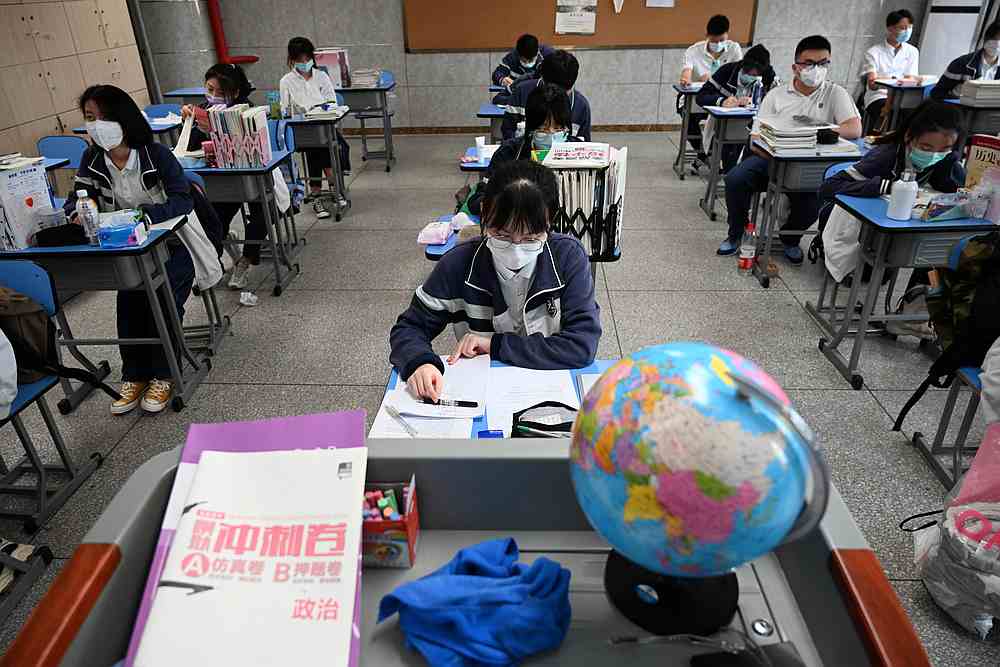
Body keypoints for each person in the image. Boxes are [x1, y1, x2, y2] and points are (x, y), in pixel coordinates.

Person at [63, 85, 220, 414]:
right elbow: (76, 198)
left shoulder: (154, 154)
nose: (92, 126)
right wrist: (79, 212)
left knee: (161, 303)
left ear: (120, 118)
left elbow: (182, 200)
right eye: (88, 119)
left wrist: (141, 217)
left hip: (173, 246)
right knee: (130, 307)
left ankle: (164, 374)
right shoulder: (93, 158)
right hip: (125, 252)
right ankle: (134, 375)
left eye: (97, 118)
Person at [390, 160, 601, 400]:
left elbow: (582, 345)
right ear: (485, 216)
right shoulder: (458, 264)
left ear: (549, 223)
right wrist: (420, 363)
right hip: (485, 389)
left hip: (551, 387)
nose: (516, 249)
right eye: (502, 235)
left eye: (531, 238)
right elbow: (409, 328)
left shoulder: (567, 257)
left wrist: (494, 344)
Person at [719, 35, 862, 262]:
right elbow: (756, 136)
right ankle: (735, 234)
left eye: (823, 63)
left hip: (812, 166)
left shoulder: (835, 93)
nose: (816, 69)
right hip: (772, 160)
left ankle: (790, 238)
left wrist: (811, 133)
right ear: (796, 67)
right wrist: (774, 151)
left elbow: (854, 129)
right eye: (809, 63)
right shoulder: (776, 95)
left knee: (816, 199)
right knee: (736, 179)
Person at [817, 100, 964, 297]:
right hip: (857, 224)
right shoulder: (885, 157)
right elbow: (829, 187)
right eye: (926, 148)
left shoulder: (947, 160)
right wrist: (883, 186)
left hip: (903, 224)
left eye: (944, 149)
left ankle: (911, 310)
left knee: (943, 248)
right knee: (871, 271)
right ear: (908, 137)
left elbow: (959, 192)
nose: (935, 155)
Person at [181, 63, 267, 289]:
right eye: (210, 90)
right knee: (212, 217)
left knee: (262, 211)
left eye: (220, 93)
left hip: (250, 175)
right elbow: (190, 150)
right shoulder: (201, 110)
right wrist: (190, 124)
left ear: (236, 92)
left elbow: (253, 149)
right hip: (218, 178)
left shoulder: (248, 112)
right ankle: (212, 264)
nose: (213, 97)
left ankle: (246, 260)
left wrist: (218, 130)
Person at [468, 84, 579, 217]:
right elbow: (477, 199)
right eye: (543, 128)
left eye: (559, 129)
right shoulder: (510, 152)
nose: (551, 135)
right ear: (530, 127)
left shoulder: (579, 150)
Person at [280, 36, 351, 219]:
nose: (304, 63)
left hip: (323, 124)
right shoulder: (286, 81)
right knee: (317, 148)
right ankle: (333, 189)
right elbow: (285, 109)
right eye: (299, 60)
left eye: (306, 59)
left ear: (312, 57)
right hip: (302, 130)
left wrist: (322, 109)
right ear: (292, 60)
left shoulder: (321, 76)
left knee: (324, 147)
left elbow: (332, 101)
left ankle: (318, 194)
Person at [695, 43, 774, 172]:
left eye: (756, 74)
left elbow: (775, 100)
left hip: (755, 126)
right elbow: (701, 96)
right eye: (749, 73)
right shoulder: (727, 71)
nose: (752, 76)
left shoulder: (768, 75)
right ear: (743, 65)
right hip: (726, 124)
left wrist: (757, 100)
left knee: (756, 154)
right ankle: (730, 174)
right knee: (731, 150)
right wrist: (722, 101)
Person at [679, 15, 744, 160]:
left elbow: (738, 75)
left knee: (733, 124)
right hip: (699, 100)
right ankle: (704, 155)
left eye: (722, 40)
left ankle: (722, 157)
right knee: (688, 120)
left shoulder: (734, 49)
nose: (718, 43)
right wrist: (686, 79)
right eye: (714, 41)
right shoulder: (694, 51)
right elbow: (687, 71)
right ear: (707, 35)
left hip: (725, 100)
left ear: (727, 34)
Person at [501, 50, 591, 142]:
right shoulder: (522, 92)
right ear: (542, 78)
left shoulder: (581, 106)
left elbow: (584, 145)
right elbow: (508, 131)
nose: (557, 98)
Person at [860, 9, 920, 131]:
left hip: (904, 98)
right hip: (878, 97)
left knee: (919, 117)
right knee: (894, 116)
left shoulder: (912, 51)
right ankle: (884, 145)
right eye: (902, 28)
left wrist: (886, 80)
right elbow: (872, 84)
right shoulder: (874, 52)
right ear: (890, 28)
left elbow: (911, 78)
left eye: (909, 28)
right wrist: (896, 80)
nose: (907, 31)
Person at [931, 21, 1000, 100]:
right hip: (961, 109)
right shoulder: (960, 64)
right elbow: (936, 94)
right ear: (986, 39)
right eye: (995, 39)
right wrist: (956, 94)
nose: (998, 44)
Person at [492, 33, 553, 104]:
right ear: (518, 54)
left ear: (537, 53)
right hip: (519, 93)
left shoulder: (548, 55)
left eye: (530, 60)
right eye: (524, 60)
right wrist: (503, 79)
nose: (527, 63)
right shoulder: (512, 57)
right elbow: (497, 73)